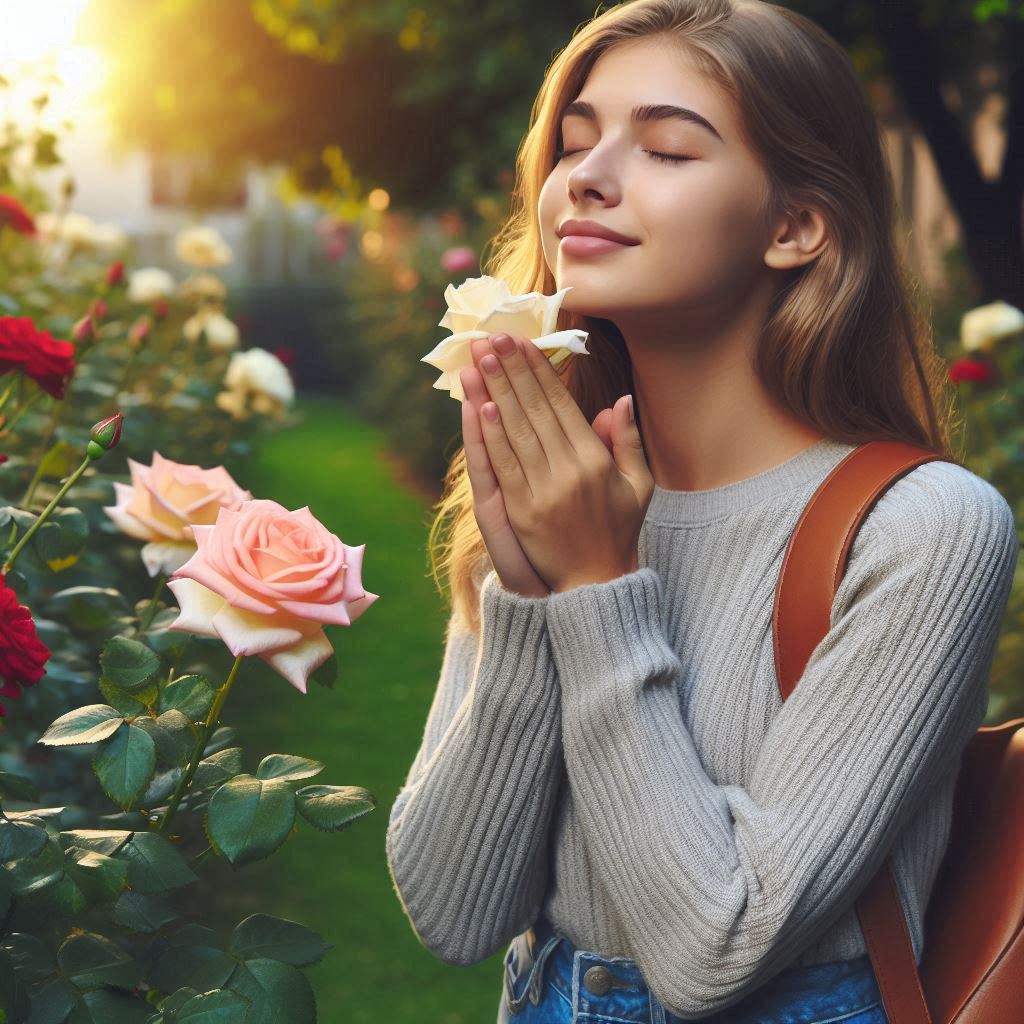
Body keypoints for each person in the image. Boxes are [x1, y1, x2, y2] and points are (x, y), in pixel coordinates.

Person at [385, 1, 1020, 1021]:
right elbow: (456, 912)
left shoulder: (924, 528)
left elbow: (712, 948)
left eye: (670, 148)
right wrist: (523, 596)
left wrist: (595, 588)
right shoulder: (557, 488)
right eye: (577, 141)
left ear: (795, 227)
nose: (585, 177)